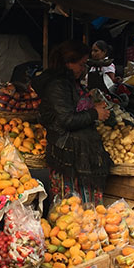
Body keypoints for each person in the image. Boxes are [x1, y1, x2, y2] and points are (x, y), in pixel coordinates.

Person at [32, 40, 113, 206]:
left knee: (85, 209)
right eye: (81, 64)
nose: (84, 69)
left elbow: (72, 108)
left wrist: (91, 106)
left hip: (78, 150)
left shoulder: (68, 81)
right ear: (68, 63)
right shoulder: (57, 85)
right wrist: (93, 113)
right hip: (67, 152)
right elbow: (66, 119)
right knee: (69, 208)